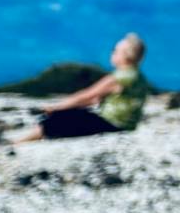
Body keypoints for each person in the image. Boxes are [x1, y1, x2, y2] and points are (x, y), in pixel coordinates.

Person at [12, 34, 149, 141]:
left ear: (126, 55)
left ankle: (19, 143)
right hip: (125, 125)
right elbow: (94, 100)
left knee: (60, 117)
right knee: (71, 114)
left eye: (116, 50)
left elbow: (87, 95)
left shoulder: (120, 77)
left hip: (112, 125)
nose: (112, 53)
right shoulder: (138, 76)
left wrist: (55, 107)